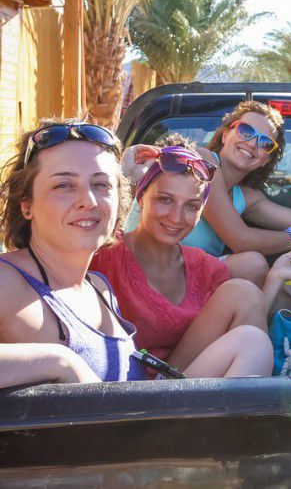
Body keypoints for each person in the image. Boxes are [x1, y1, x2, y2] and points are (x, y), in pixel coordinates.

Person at [0, 120, 271, 385]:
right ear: (26, 204)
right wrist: (60, 362)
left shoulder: (98, 287)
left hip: (150, 406)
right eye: (63, 185)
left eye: (102, 185)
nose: (89, 201)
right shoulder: (9, 280)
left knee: (252, 341)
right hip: (132, 412)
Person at [123, 100, 291, 285]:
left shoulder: (245, 197)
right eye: (245, 131)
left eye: (266, 144)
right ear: (226, 134)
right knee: (252, 264)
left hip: (187, 276)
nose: (253, 144)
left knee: (279, 285)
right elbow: (240, 239)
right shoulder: (200, 162)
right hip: (142, 265)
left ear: (266, 160)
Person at [90, 137, 272, 374]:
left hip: (178, 382)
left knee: (245, 294)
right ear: (141, 198)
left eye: (191, 206)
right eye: (165, 200)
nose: (176, 217)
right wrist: (115, 177)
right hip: (123, 386)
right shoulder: (104, 253)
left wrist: (277, 279)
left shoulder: (206, 267)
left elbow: (245, 326)